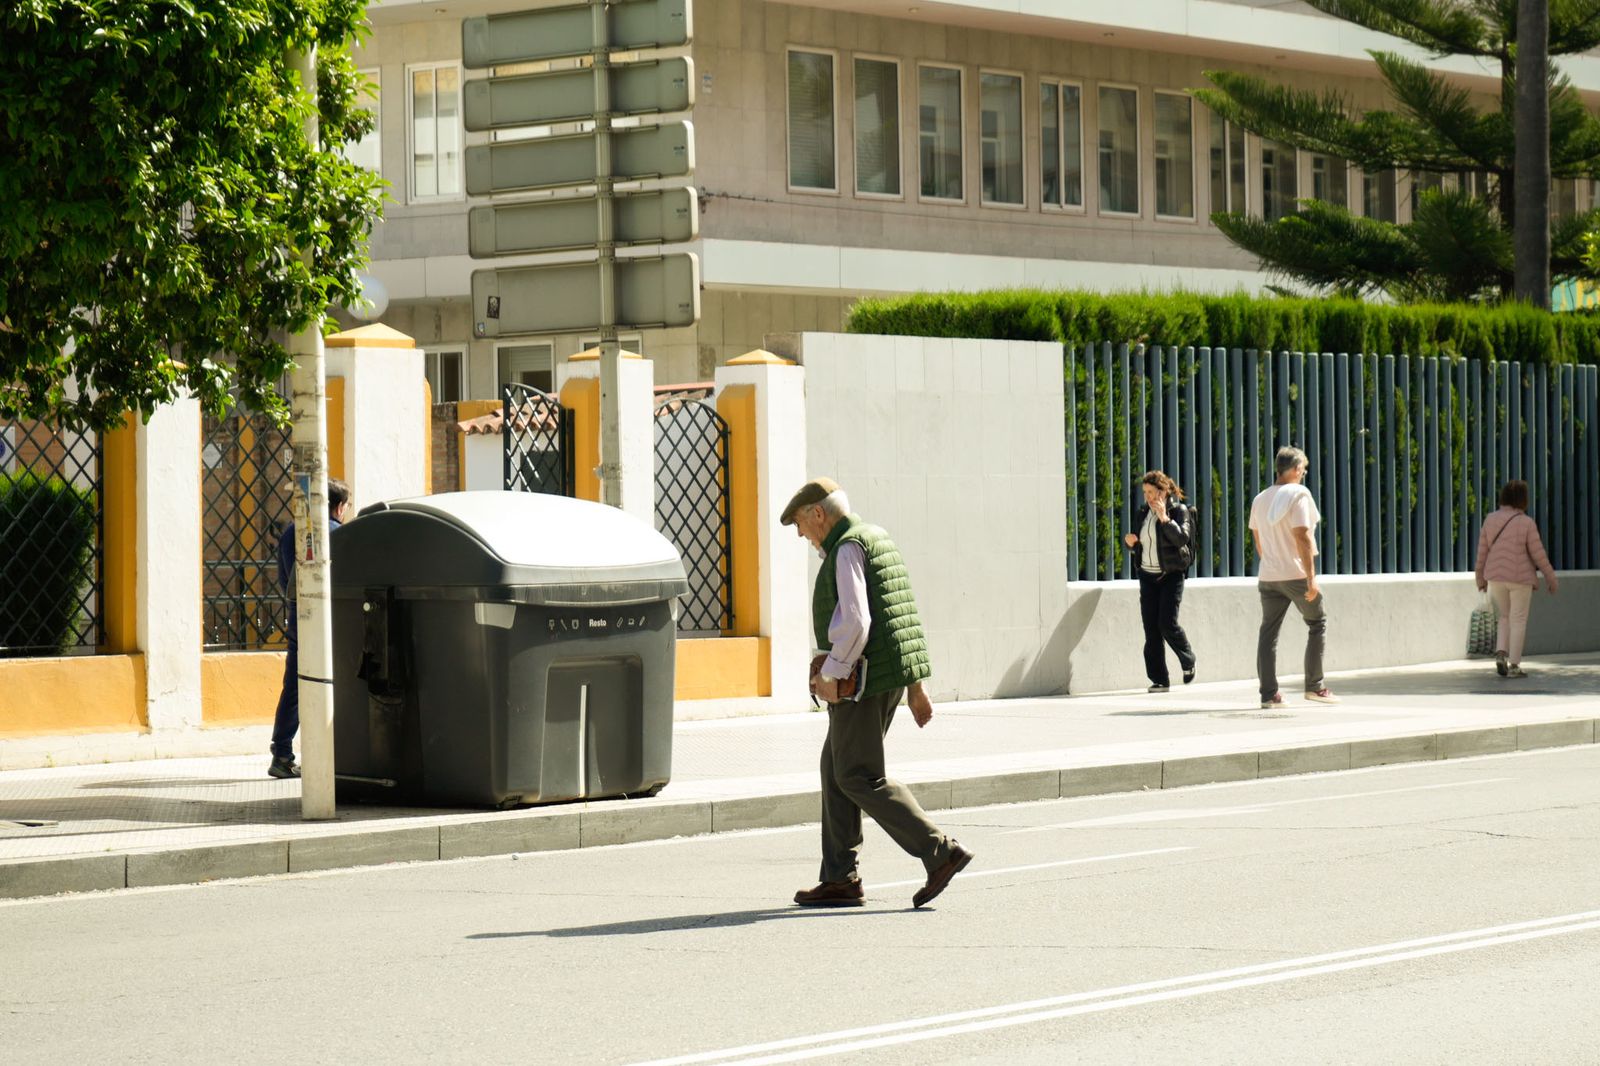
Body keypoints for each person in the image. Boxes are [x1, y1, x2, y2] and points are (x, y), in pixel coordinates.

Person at [780, 477, 974, 909]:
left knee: (856, 775)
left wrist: (831, 673)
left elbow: (857, 622)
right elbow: (900, 617)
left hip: (862, 681)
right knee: (835, 767)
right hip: (884, 676)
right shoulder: (876, 537)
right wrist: (915, 687)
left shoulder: (847, 549)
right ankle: (839, 878)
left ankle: (938, 850)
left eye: (800, 523)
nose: (800, 534)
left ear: (818, 513)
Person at [269, 478, 352, 779]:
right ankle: (336, 754)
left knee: (295, 685)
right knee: (342, 681)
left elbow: (284, 580)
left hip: (299, 614)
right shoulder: (340, 533)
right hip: (334, 616)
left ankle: (282, 753)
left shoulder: (291, 531)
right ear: (339, 507)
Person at [1249, 446, 1339, 709]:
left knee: (1268, 633)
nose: (1304, 474)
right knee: (1317, 623)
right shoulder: (1299, 495)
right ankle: (1315, 686)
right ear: (1297, 468)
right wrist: (1311, 578)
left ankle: (1269, 695)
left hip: (1268, 576)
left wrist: (1272, 562)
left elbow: (1258, 539)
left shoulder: (1260, 498)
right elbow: (1302, 535)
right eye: (1304, 469)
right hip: (1295, 574)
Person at [1122, 469, 1197, 693]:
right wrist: (1131, 543)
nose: (1147, 497)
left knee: (1166, 623)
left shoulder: (1178, 511)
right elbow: (1142, 544)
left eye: (1151, 492)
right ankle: (1159, 679)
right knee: (1151, 630)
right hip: (1147, 576)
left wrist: (1164, 518)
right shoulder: (1143, 513)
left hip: (1170, 575)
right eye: (1145, 492)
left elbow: (1181, 538)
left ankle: (1188, 659)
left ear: (1162, 492)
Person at [1474, 479, 1558, 678]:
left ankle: (1501, 654)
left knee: (1504, 616)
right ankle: (1514, 665)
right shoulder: (1526, 522)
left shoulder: (1490, 519)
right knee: (1518, 619)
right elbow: (1538, 554)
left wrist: (1480, 579)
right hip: (1520, 578)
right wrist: (1551, 578)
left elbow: (1482, 553)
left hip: (1496, 577)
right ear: (1522, 499)